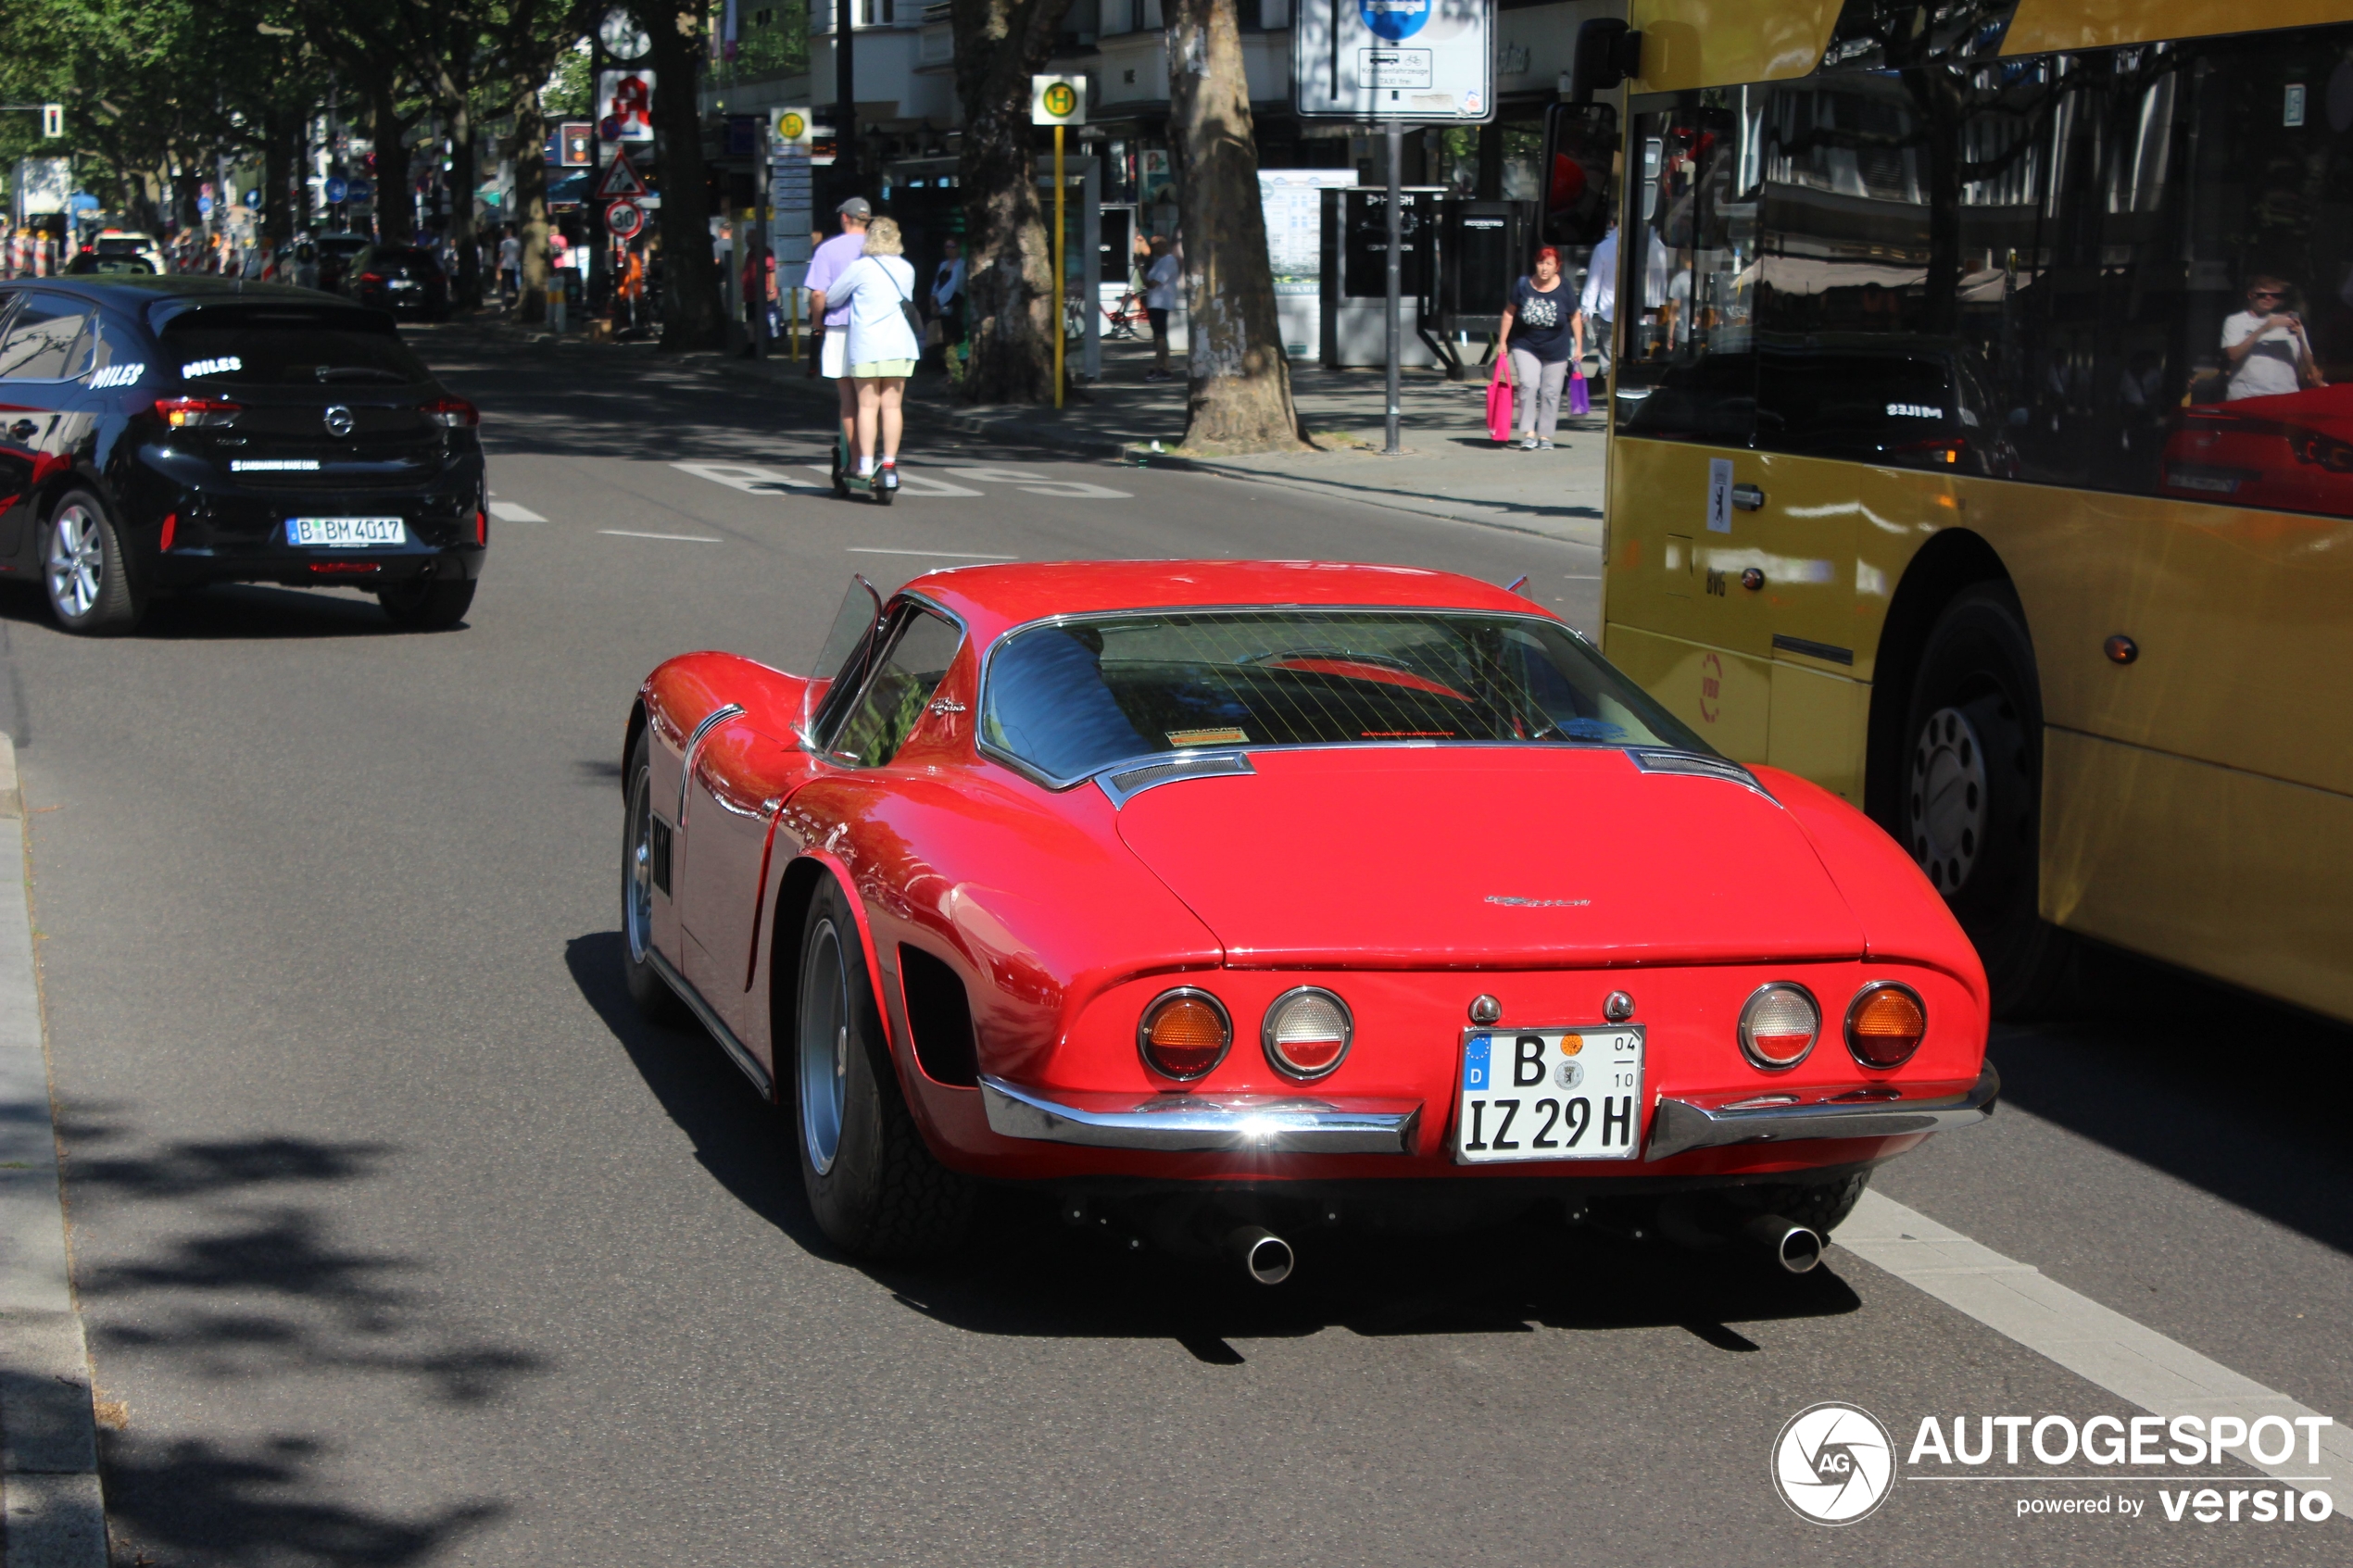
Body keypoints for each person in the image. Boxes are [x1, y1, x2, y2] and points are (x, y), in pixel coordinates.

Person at [827, 216, 921, 490]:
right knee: (892, 406)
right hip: (901, 345)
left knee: (868, 406)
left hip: (868, 346)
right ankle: (889, 463)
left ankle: (865, 463)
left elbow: (833, 296)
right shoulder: (907, 269)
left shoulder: (861, 268)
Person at [807, 196, 874, 447]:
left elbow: (817, 294)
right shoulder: (880, 248)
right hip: (875, 329)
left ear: (845, 217)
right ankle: (873, 457)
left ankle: (855, 459)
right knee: (871, 399)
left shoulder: (828, 249)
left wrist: (817, 324)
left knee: (848, 397)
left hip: (840, 327)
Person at [1497, 245, 1579, 451]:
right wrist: (1503, 341)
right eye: (1541, 263)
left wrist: (1578, 345)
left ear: (1557, 267)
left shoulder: (1565, 287)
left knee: (1551, 391)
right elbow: (1509, 313)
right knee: (1528, 383)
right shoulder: (1523, 285)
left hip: (1557, 347)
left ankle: (1545, 435)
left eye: (1549, 264)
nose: (1544, 268)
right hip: (1526, 344)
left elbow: (1575, 317)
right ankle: (1529, 433)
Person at [2222, 274, 2322, 400]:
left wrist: (2301, 339)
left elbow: (2308, 365)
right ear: (2250, 295)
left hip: (2286, 396)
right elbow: (2233, 355)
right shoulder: (2236, 321)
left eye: (2275, 295)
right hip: (2246, 396)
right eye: (2262, 295)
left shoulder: (2290, 322)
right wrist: (2265, 327)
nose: (2268, 298)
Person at [1579, 220, 1617, 384]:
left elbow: (1593, 283)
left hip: (1610, 317)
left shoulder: (1604, 247)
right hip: (1636, 317)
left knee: (1609, 365)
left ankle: (1612, 404)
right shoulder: (1646, 246)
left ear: (1613, 224)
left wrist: (1586, 311)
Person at [1143, 235, 1180, 383]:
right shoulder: (1159, 262)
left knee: (1160, 336)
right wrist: (1139, 266)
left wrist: (1141, 269)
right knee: (1160, 335)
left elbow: (1153, 283)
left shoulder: (1169, 261)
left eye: (1154, 245)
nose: (1152, 248)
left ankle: (1157, 367)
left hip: (1161, 302)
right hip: (1154, 302)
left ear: (1162, 245)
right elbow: (1148, 283)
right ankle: (1166, 368)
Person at [928, 237, 964, 365]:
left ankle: (952, 368)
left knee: (951, 337)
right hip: (939, 304)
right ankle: (941, 365)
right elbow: (936, 285)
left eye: (952, 246)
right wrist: (933, 301)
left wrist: (943, 300)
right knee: (939, 337)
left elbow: (956, 286)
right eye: (947, 247)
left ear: (958, 248)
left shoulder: (962, 265)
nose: (949, 250)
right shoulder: (943, 265)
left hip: (953, 303)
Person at [497, 225, 522, 307]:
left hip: (505, 264)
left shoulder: (503, 243)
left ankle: (504, 301)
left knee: (504, 283)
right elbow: (518, 254)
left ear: (506, 233)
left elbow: (501, 254)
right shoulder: (516, 242)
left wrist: (499, 263)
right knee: (513, 283)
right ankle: (517, 299)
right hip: (513, 264)